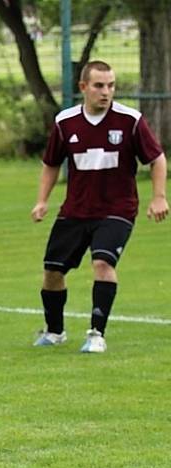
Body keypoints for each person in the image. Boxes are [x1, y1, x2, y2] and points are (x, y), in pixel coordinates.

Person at [31, 60, 167, 353]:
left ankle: (96, 333)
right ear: (83, 88)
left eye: (111, 86)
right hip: (75, 210)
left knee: (102, 263)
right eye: (99, 86)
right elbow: (51, 164)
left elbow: (157, 159)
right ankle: (55, 332)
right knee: (52, 271)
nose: (106, 92)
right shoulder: (65, 122)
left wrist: (159, 196)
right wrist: (42, 200)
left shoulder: (130, 120)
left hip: (117, 209)